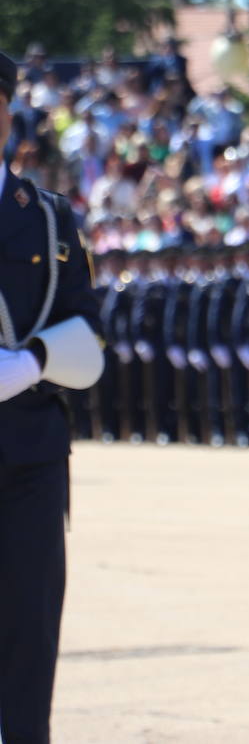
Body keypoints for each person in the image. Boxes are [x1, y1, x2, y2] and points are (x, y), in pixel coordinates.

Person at [0, 50, 106, 742]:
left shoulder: (45, 216)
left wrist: (29, 363)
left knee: (28, 635)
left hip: (27, 452)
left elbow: (87, 329)